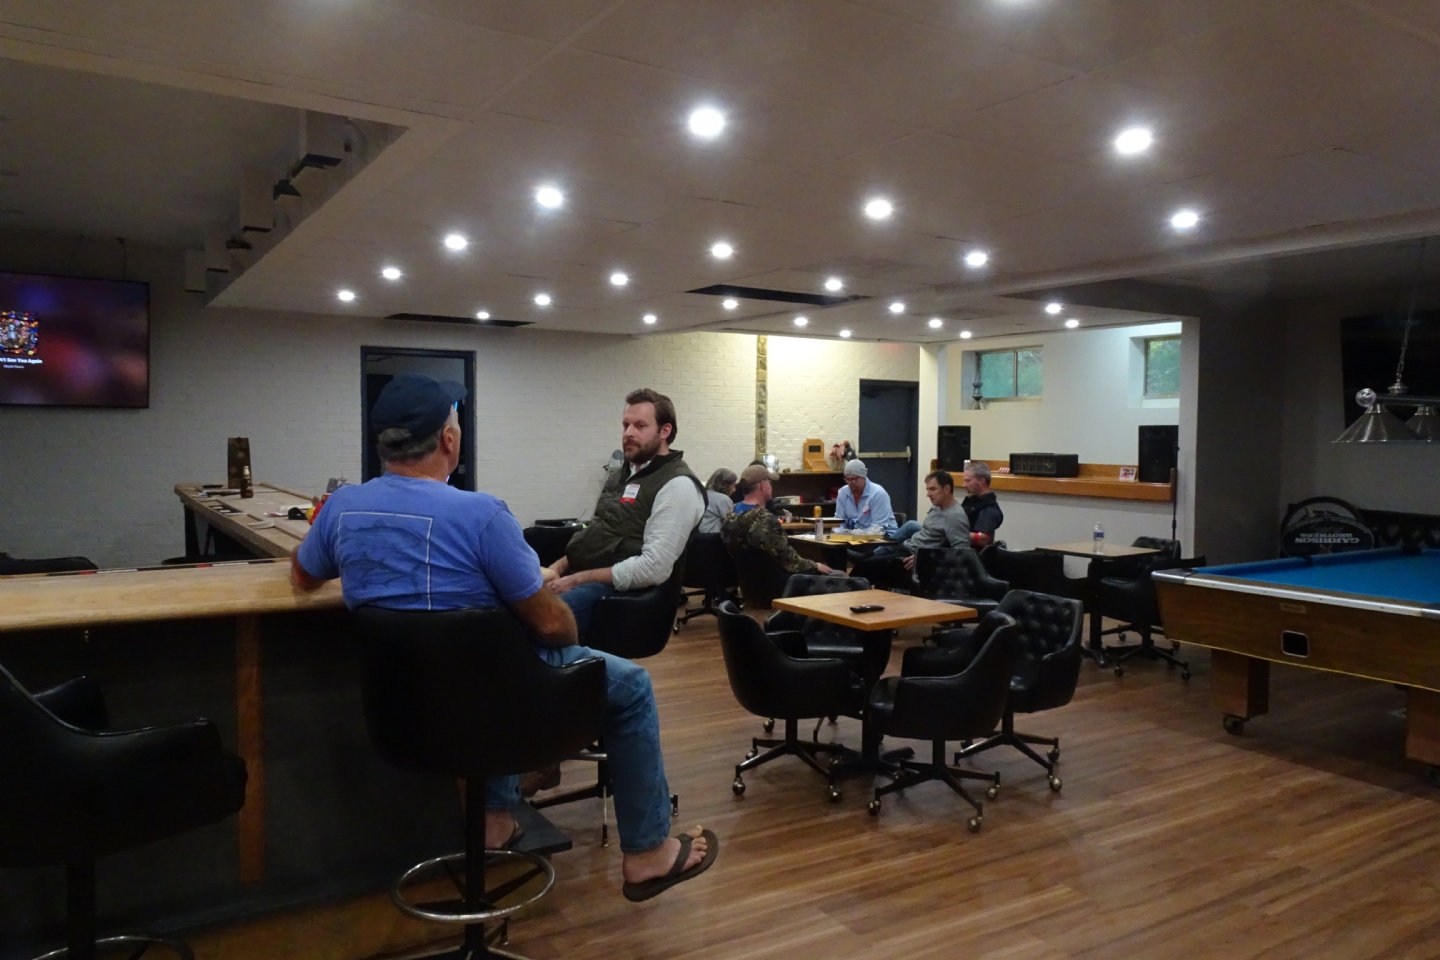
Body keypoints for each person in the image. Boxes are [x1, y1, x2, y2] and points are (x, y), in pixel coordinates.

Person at [290, 374, 716, 902]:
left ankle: (496, 819)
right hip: (492, 698)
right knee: (631, 687)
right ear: (449, 440)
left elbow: (303, 575)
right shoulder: (482, 515)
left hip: (401, 712)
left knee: (494, 672)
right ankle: (647, 852)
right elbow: (552, 625)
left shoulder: (342, 508)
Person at [545, 389, 706, 635]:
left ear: (665, 431)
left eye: (640, 425)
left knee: (534, 620)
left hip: (624, 595)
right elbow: (600, 532)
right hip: (587, 576)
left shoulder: (678, 485)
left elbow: (652, 568)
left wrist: (577, 579)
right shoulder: (623, 474)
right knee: (511, 601)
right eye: (625, 425)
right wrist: (559, 566)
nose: (628, 433)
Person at [852, 470, 970, 589]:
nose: (928, 494)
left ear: (946, 489)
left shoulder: (955, 516)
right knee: (866, 564)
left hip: (915, 559)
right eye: (927, 489)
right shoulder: (937, 507)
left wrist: (926, 557)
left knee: (864, 568)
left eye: (933, 489)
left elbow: (962, 552)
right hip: (907, 548)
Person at [722, 463, 835, 575]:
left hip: (745, 580)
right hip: (777, 581)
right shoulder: (765, 519)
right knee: (836, 575)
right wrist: (816, 565)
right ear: (762, 485)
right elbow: (791, 562)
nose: (772, 487)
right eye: (770, 483)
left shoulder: (730, 513)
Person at [834, 459, 900, 537]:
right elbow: (839, 521)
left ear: (863, 476)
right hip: (855, 538)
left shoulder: (878, 493)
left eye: (853, 479)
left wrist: (853, 534)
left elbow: (878, 528)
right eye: (847, 479)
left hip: (884, 538)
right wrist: (838, 533)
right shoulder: (842, 493)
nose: (850, 483)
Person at [961, 462, 1004, 547]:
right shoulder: (971, 501)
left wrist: (954, 534)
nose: (964, 485)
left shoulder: (989, 508)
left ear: (981, 481)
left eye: (968, 481)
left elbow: (984, 539)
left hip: (973, 553)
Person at [699, 467, 736, 534]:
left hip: (699, 536)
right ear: (725, 486)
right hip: (713, 536)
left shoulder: (703, 495)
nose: (734, 490)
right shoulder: (723, 499)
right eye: (733, 486)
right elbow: (732, 523)